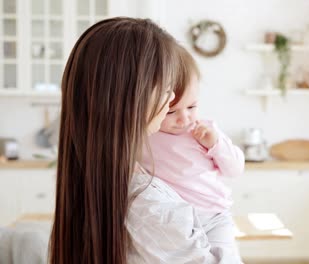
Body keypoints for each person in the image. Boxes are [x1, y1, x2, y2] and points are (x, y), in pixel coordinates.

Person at [49, 17, 242, 264]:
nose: (172, 97)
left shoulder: (94, 181)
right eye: (166, 88)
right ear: (133, 97)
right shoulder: (151, 206)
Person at [140, 46, 244, 261]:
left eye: (192, 106)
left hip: (214, 217)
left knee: (226, 259)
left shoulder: (204, 131)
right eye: (171, 111)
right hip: (176, 222)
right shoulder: (146, 134)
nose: (184, 119)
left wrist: (215, 144)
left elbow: (235, 169)